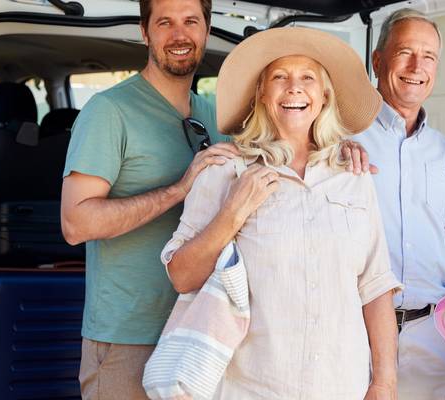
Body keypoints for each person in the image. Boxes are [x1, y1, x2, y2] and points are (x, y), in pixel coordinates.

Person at [162, 26, 402, 399]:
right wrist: (233, 212)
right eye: (279, 77)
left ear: (324, 95)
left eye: (308, 77)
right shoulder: (226, 170)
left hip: (341, 386)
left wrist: (384, 383)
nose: (294, 88)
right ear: (261, 92)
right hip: (252, 389)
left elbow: (375, 287)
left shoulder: (354, 176)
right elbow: (181, 276)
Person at [59, 0, 241, 398]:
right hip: (129, 339)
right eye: (165, 23)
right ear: (145, 32)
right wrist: (179, 189)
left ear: (206, 30)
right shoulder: (109, 111)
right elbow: (76, 224)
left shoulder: (219, 118)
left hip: (203, 333)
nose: (180, 35)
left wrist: (344, 151)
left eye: (191, 21)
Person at [352, 9, 445, 398]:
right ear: (377, 61)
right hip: (357, 333)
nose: (417, 66)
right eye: (405, 52)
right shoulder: (342, 140)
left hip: (435, 336)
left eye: (429, 56)